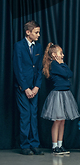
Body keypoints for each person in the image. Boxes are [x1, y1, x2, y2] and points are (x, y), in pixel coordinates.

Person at [40, 43, 80, 154]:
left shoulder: (61, 64)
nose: (62, 55)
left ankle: (60, 145)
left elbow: (70, 74)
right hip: (57, 95)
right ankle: (54, 146)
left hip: (65, 94)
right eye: (60, 53)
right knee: (57, 121)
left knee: (62, 121)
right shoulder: (54, 64)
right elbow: (65, 73)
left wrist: (63, 64)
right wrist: (62, 64)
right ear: (54, 55)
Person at [13, 20, 44, 155]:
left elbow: (39, 68)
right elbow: (18, 68)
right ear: (28, 32)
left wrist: (37, 86)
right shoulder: (19, 46)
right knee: (25, 115)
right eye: (36, 32)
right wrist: (25, 88)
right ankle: (25, 145)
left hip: (34, 88)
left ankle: (34, 144)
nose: (38, 35)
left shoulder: (38, 47)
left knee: (34, 115)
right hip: (23, 88)